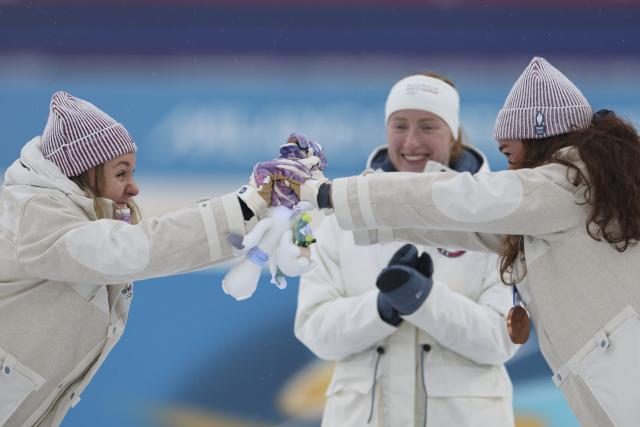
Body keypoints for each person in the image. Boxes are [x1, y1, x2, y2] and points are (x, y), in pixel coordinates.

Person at [291, 57, 640, 427]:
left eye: (509, 152)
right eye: (399, 125)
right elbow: (461, 226)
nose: (510, 167)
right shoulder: (569, 199)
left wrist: (331, 195)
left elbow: (462, 203)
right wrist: (346, 211)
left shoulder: (562, 187)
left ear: (538, 138)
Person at [0, 91, 316, 427]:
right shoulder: (35, 218)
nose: (134, 188)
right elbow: (136, 249)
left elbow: (164, 244)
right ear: (83, 174)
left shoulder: (72, 221)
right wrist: (245, 206)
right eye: (121, 174)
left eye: (133, 173)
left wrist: (255, 218)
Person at [294, 73, 518, 427]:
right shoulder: (343, 215)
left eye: (428, 126)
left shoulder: (492, 215)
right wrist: (381, 309)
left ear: (454, 132)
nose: (411, 142)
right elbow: (314, 329)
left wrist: (425, 301)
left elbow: (501, 338)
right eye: (400, 126)